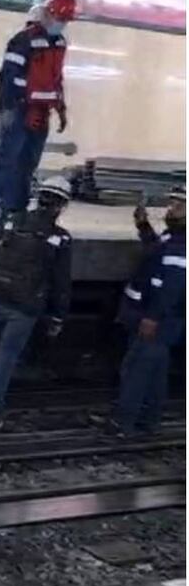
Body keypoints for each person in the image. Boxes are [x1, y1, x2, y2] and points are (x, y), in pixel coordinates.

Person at [0, 177, 73, 431]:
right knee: (6, 358)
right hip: (25, 306)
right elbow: (60, 282)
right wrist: (57, 317)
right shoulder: (60, 238)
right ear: (61, 205)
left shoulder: (14, 220)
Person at [0, 0, 75, 229]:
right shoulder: (23, 40)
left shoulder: (59, 43)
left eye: (65, 20)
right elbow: (9, 76)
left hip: (41, 112)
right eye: (59, 18)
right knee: (7, 162)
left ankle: (14, 211)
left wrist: (60, 107)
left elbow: (56, 78)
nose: (61, 24)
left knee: (27, 165)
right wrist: (22, 102)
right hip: (17, 109)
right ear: (48, 14)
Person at [105, 186, 185, 437]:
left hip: (157, 319)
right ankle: (149, 420)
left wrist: (152, 317)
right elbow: (155, 253)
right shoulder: (173, 237)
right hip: (157, 317)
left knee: (136, 368)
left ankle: (124, 423)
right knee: (155, 371)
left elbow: (173, 287)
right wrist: (144, 227)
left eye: (179, 206)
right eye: (172, 204)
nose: (171, 209)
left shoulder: (183, 244)